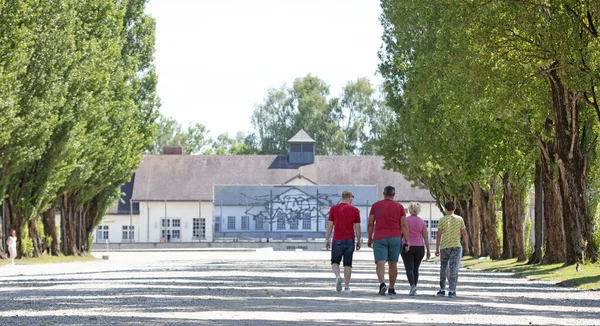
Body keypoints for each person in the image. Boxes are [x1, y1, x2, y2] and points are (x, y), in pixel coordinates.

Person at [367, 186, 410, 295]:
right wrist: (407, 240)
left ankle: (382, 283)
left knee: (380, 263)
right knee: (393, 263)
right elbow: (404, 224)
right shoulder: (399, 207)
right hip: (395, 237)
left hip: (379, 237)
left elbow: (371, 223)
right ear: (394, 194)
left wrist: (369, 237)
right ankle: (391, 288)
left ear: (383, 193)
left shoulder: (375, 206)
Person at [325, 190, 361, 293]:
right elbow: (357, 227)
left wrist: (327, 239)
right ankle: (347, 287)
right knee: (348, 264)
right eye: (352, 197)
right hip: (350, 240)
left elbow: (330, 226)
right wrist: (358, 240)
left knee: (335, 262)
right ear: (349, 197)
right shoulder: (355, 210)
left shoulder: (333, 209)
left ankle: (337, 276)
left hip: (337, 240)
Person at [435, 201, 469, 298]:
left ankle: (442, 289)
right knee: (453, 268)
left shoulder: (442, 220)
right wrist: (466, 246)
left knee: (443, 267)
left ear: (445, 209)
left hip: (445, 246)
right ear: (454, 209)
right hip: (456, 246)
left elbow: (439, 235)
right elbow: (464, 233)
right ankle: (452, 290)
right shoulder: (460, 219)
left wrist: (437, 248)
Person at [400, 202, 430, 296]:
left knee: (409, 267)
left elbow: (401, 234)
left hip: (406, 245)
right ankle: (414, 287)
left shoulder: (405, 221)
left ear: (409, 210)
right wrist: (428, 250)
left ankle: (412, 285)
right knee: (416, 268)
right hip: (419, 246)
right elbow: (425, 237)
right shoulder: (421, 221)